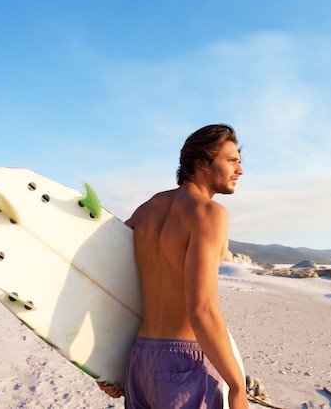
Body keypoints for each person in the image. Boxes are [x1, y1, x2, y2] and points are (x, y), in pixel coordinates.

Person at [99, 124, 247, 408]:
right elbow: (201, 309)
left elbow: (106, 285)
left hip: (139, 359)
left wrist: (103, 365)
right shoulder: (209, 213)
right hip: (184, 364)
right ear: (202, 161)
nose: (239, 171)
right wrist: (237, 386)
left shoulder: (146, 211)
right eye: (232, 161)